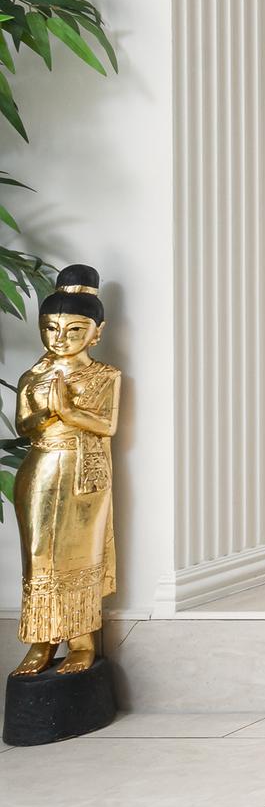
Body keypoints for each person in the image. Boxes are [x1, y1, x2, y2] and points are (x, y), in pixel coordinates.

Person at [13, 267, 120, 679]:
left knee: (80, 555)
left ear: (96, 332)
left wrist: (70, 411)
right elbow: (24, 426)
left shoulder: (104, 376)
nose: (60, 338)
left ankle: (81, 641)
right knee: (38, 555)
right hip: (40, 467)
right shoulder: (33, 377)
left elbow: (107, 426)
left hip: (84, 472)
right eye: (51, 328)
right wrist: (46, 412)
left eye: (74, 330)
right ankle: (41, 641)